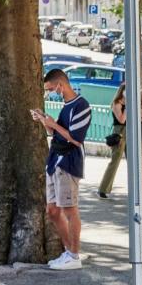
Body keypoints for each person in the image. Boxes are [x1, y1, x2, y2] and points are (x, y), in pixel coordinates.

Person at [34, 69, 90, 270]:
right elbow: (58, 132)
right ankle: (69, 252)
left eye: (51, 89)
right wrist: (45, 121)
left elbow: (76, 138)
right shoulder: (66, 107)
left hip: (68, 162)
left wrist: (53, 126)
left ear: (61, 85)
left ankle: (74, 256)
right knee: (52, 211)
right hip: (54, 161)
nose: (50, 93)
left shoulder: (81, 105)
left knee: (69, 209)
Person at [98, 83, 127, 198]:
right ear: (123, 91)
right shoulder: (117, 103)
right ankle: (103, 188)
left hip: (131, 131)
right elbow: (121, 119)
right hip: (120, 131)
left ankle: (139, 188)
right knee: (115, 161)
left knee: (135, 161)